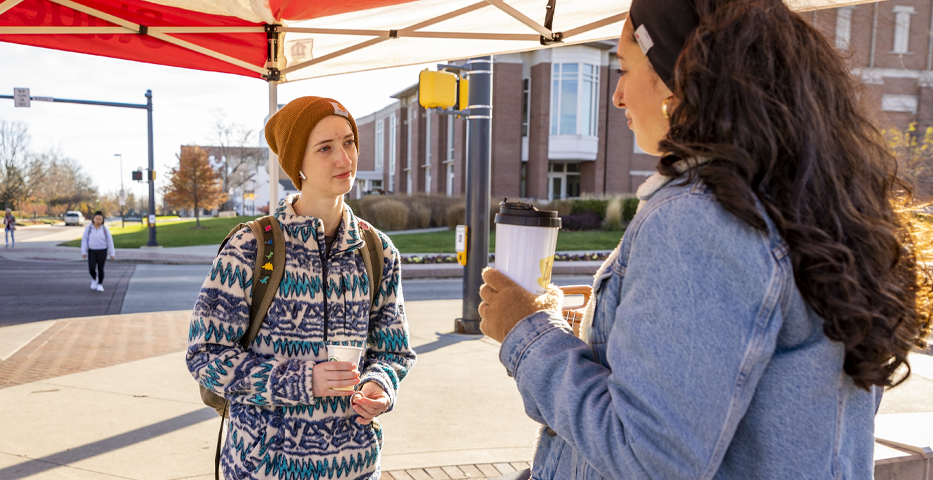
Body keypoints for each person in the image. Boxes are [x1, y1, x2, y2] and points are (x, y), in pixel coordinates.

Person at [478, 0, 932, 478]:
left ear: (679, 83)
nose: (617, 96)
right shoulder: (812, 205)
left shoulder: (697, 218)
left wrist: (526, 330)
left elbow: (648, 457)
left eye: (625, 68)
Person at [186, 97, 416, 480]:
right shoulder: (251, 247)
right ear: (298, 165)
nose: (344, 159)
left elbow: (394, 351)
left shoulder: (378, 251)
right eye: (325, 148)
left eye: (349, 142)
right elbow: (205, 357)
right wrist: (301, 380)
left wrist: (380, 384)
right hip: (263, 470)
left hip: (354, 468)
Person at [81, 211, 115, 293]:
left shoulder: (105, 230)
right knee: (91, 268)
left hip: (102, 250)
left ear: (102, 220)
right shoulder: (88, 229)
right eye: (97, 219)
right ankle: (94, 279)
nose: (98, 221)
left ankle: (100, 284)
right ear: (93, 219)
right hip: (92, 250)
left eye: (100, 219)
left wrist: (112, 253)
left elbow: (110, 242)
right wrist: (83, 251)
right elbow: (84, 240)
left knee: (101, 268)